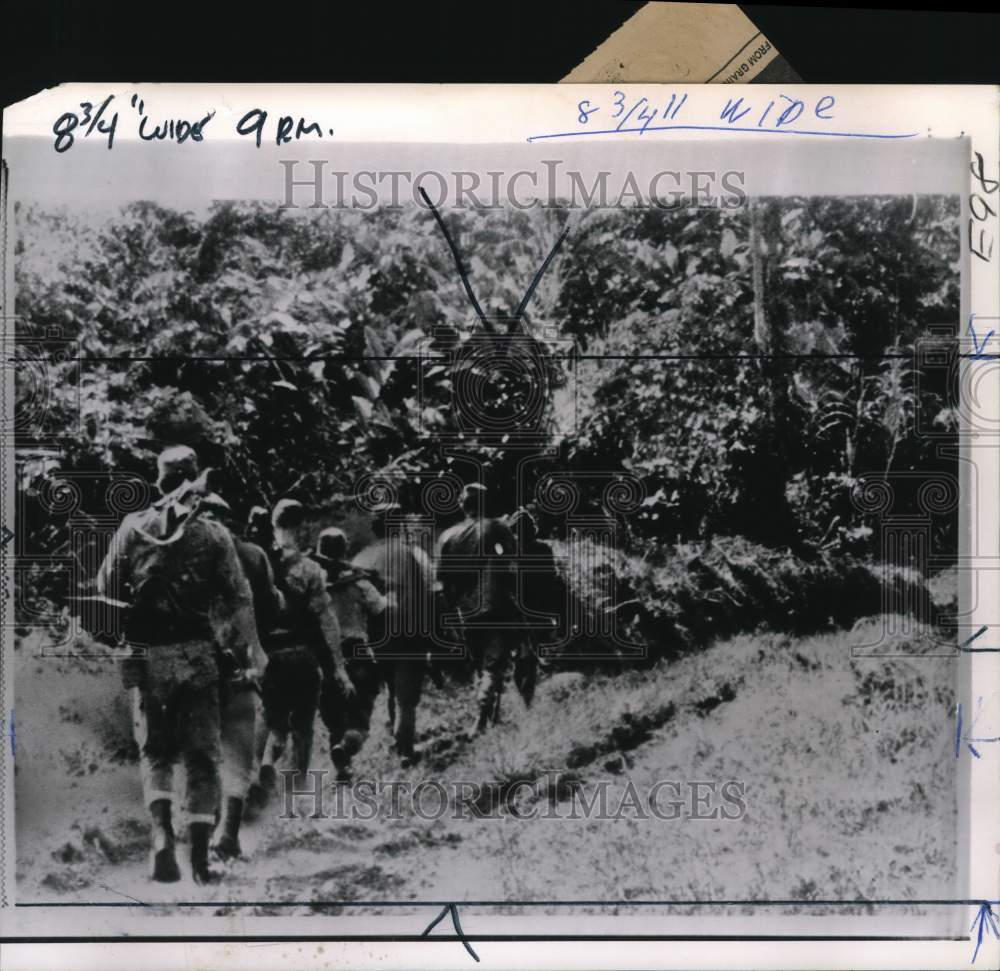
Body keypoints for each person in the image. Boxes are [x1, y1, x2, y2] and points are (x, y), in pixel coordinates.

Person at [96, 446, 263, 885]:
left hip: (148, 656)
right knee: (202, 757)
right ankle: (202, 862)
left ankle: (162, 838)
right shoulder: (212, 535)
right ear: (195, 481)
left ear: (159, 481)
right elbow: (238, 596)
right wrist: (253, 649)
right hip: (197, 655)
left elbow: (105, 587)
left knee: (156, 752)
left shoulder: (133, 527)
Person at [198, 494, 283, 861]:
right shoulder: (252, 555)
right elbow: (270, 606)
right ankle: (227, 832)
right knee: (238, 745)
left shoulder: (176, 552)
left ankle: (202, 823)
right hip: (237, 661)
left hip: (190, 662)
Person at [255, 499, 354, 796]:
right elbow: (327, 620)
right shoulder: (310, 569)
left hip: (265, 654)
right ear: (303, 526)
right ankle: (295, 792)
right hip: (301, 654)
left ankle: (267, 762)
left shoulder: (256, 563)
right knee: (303, 726)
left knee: (273, 720)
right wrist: (337, 667)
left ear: (273, 523)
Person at [437, 483, 528, 735]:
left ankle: (491, 716)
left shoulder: (447, 536)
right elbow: (514, 561)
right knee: (493, 666)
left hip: (466, 611)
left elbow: (443, 581)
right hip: (496, 605)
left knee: (481, 666)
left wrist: (454, 611)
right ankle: (480, 721)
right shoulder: (496, 527)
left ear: (462, 505)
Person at [352, 503, 434, 767]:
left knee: (390, 687)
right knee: (405, 697)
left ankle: (395, 741)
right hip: (407, 631)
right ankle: (405, 750)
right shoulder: (410, 554)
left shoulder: (360, 559)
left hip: (374, 636)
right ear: (398, 526)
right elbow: (425, 596)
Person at [314, 527, 387, 781]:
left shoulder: (315, 585)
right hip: (357, 651)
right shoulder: (360, 583)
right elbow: (381, 610)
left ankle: (341, 765)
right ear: (344, 550)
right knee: (361, 717)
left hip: (324, 657)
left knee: (333, 717)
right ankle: (346, 749)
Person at [506, 507, 561, 703]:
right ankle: (532, 696)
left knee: (525, 658)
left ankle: (529, 697)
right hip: (537, 611)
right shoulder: (542, 550)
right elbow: (552, 580)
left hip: (523, 612)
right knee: (533, 656)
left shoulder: (512, 554)